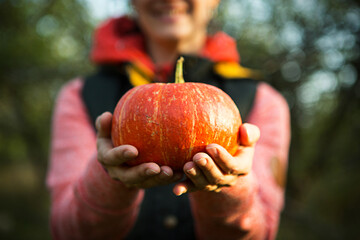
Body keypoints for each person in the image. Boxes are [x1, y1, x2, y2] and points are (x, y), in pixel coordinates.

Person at [47, 0, 291, 239]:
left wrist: (229, 189)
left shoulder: (263, 100)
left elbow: (262, 233)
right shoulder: (80, 95)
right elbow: (67, 232)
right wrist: (109, 179)